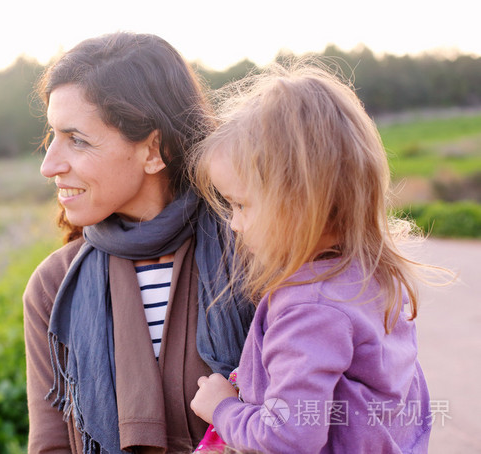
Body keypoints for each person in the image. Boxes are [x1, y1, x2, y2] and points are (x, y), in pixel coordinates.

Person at [189, 62, 451, 453]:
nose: (234, 225)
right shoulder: (371, 275)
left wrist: (223, 408)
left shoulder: (311, 307)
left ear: (300, 203)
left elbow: (287, 437)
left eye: (240, 204)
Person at [23, 32, 254, 454]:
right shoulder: (54, 287)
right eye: (51, 135)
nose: (49, 164)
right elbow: (51, 444)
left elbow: (314, 412)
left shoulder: (254, 254)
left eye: (76, 139)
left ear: (153, 149)